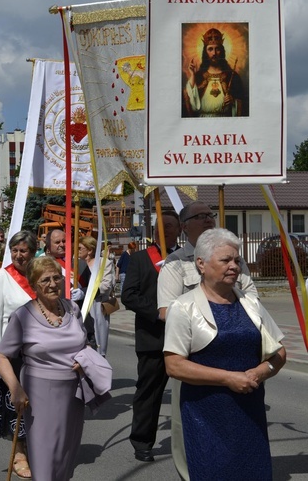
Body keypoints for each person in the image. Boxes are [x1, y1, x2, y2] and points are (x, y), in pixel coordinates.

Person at [164, 229, 286, 480]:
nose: (234, 266)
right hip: (205, 415)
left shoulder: (251, 303)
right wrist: (227, 378)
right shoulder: (183, 307)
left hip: (249, 412)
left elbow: (280, 353)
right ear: (201, 263)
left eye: (237, 260)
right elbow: (174, 366)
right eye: (225, 260)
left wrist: (262, 371)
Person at [158, 201, 258, 480]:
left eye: (210, 215)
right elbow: (167, 310)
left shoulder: (237, 263)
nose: (208, 219)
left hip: (237, 352)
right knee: (191, 429)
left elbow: (252, 300)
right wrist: (206, 319)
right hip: (195, 356)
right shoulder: (176, 264)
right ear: (184, 226)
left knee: (240, 431)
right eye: (199, 216)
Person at [0, 256, 90, 481]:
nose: (52, 284)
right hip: (40, 392)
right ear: (34, 285)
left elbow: (84, 343)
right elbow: (2, 355)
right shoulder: (23, 316)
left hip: (74, 393)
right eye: (45, 280)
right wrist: (15, 388)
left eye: (56, 278)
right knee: (45, 456)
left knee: (66, 454)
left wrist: (84, 360)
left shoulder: (72, 309)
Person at [122, 211, 181, 463]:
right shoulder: (139, 259)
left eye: (170, 226)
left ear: (179, 229)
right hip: (152, 337)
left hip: (186, 338)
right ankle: (142, 442)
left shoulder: (188, 258)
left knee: (190, 392)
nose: (165, 230)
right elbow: (129, 295)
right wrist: (158, 312)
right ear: (153, 231)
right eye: (160, 226)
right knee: (149, 392)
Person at [0, 230, 37, 479]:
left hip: (38, 354)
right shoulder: (0, 277)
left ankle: (37, 449)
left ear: (33, 252)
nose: (18, 255)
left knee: (37, 405)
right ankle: (19, 453)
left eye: (23, 250)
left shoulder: (41, 275)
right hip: (11, 354)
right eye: (14, 250)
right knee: (15, 405)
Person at [183, 27, 246, 118]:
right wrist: (192, 75)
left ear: (222, 51)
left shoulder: (233, 76)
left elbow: (242, 102)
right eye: (210, 49)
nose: (214, 53)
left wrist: (233, 101)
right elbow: (192, 103)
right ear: (205, 52)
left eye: (217, 49)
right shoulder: (198, 76)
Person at [77, 236, 115, 356]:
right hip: (78, 304)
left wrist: (85, 292)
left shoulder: (104, 263)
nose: (77, 250)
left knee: (98, 341)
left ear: (90, 250)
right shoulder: (75, 263)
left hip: (96, 305)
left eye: (80, 248)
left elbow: (106, 285)